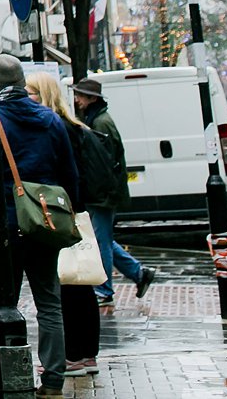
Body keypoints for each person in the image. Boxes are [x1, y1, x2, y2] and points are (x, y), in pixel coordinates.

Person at [0, 54, 79, 398]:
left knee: (3, 303)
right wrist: (69, 214)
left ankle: (2, 373)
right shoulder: (49, 119)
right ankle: (54, 380)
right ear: (20, 82)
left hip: (5, 226)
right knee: (49, 302)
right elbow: (70, 174)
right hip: (43, 223)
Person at [29, 72, 120, 379]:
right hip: (74, 211)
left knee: (68, 286)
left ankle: (74, 355)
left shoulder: (58, 128)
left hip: (62, 213)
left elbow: (69, 175)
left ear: (44, 95)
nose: (26, 97)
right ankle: (87, 355)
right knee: (79, 285)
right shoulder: (75, 126)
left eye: (31, 92)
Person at [72, 77, 154, 304]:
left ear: (91, 98)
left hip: (102, 195)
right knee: (104, 239)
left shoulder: (100, 123)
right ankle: (139, 273)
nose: (76, 99)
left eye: (80, 95)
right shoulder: (97, 119)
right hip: (104, 193)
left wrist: (96, 193)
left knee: (102, 242)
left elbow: (102, 164)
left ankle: (104, 290)